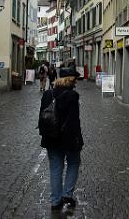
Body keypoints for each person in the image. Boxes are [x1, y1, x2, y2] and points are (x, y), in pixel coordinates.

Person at [39, 68, 83, 211]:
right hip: (68, 139)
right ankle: (67, 195)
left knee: (55, 168)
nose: (76, 82)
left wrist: (44, 135)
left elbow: (42, 117)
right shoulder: (73, 96)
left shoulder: (47, 94)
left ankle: (55, 201)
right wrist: (78, 140)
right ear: (71, 80)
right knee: (74, 163)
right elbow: (74, 121)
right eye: (75, 80)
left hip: (51, 138)